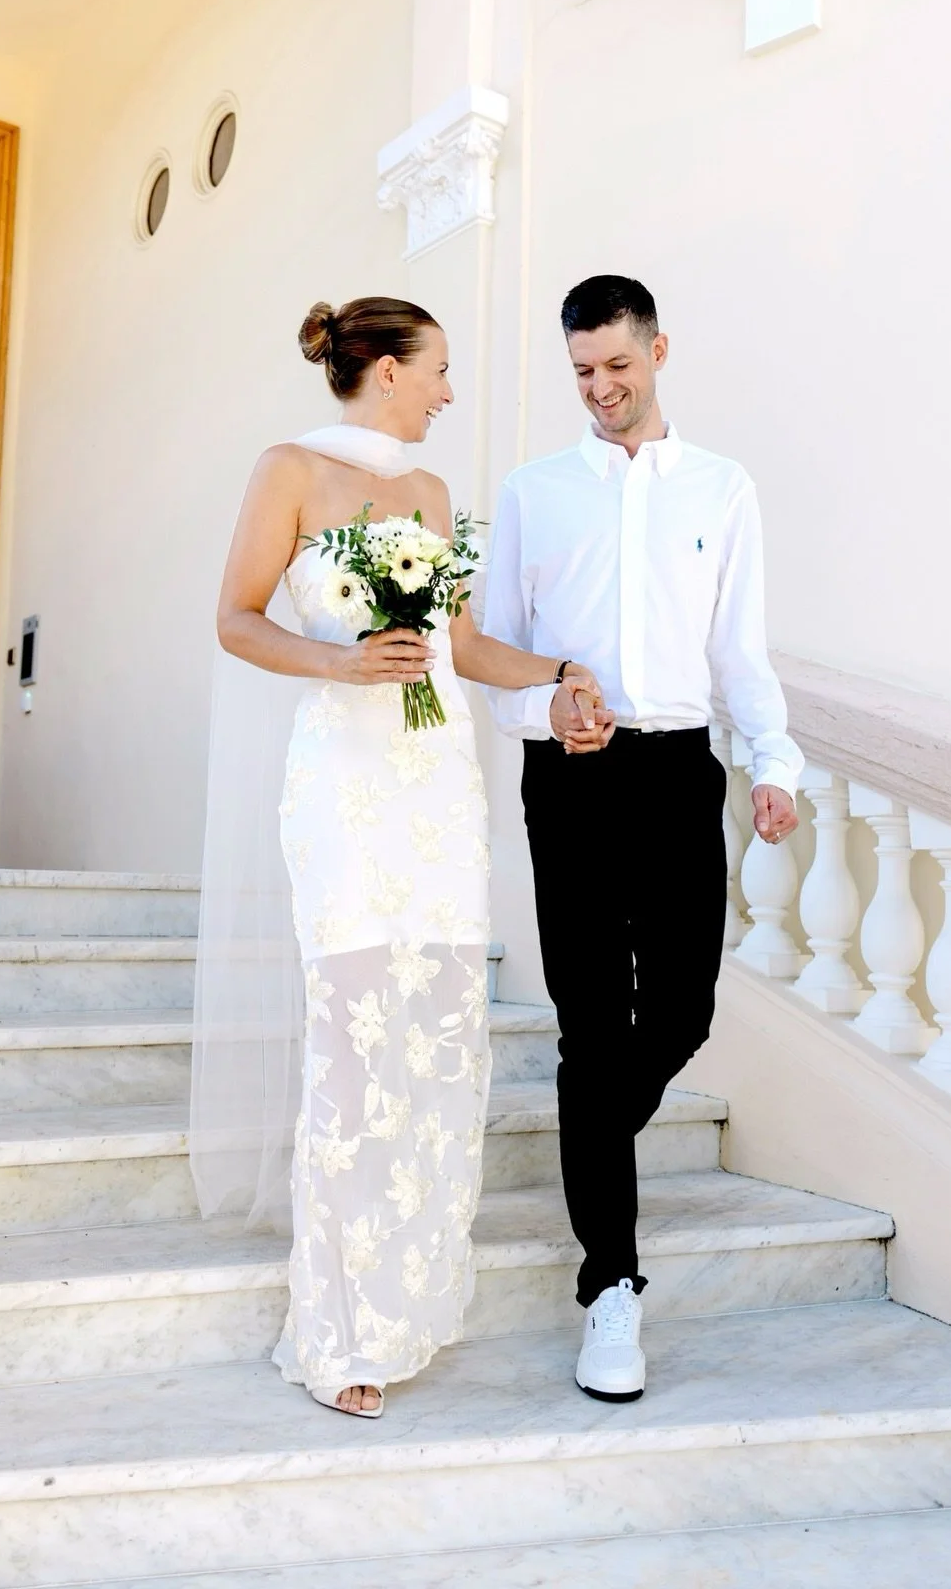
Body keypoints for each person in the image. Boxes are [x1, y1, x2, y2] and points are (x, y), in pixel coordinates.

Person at [211, 296, 601, 1418]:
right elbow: (236, 619)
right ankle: (338, 1332)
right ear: (386, 369)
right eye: (436, 370)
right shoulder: (288, 469)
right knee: (353, 1036)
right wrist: (340, 666)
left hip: (434, 788)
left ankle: (412, 1299)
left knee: (433, 1035)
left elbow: (463, 646)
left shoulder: (432, 496)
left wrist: (562, 670)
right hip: (344, 781)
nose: (445, 391)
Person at [483, 274, 802, 1403]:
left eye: (618, 367)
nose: (601, 391)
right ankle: (609, 1288)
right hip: (566, 776)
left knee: (680, 1010)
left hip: (676, 771)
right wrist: (544, 710)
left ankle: (589, 1139)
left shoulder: (724, 486)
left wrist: (773, 762)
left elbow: (740, 647)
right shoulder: (532, 491)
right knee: (588, 1024)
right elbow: (493, 654)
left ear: (659, 350)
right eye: (582, 374)